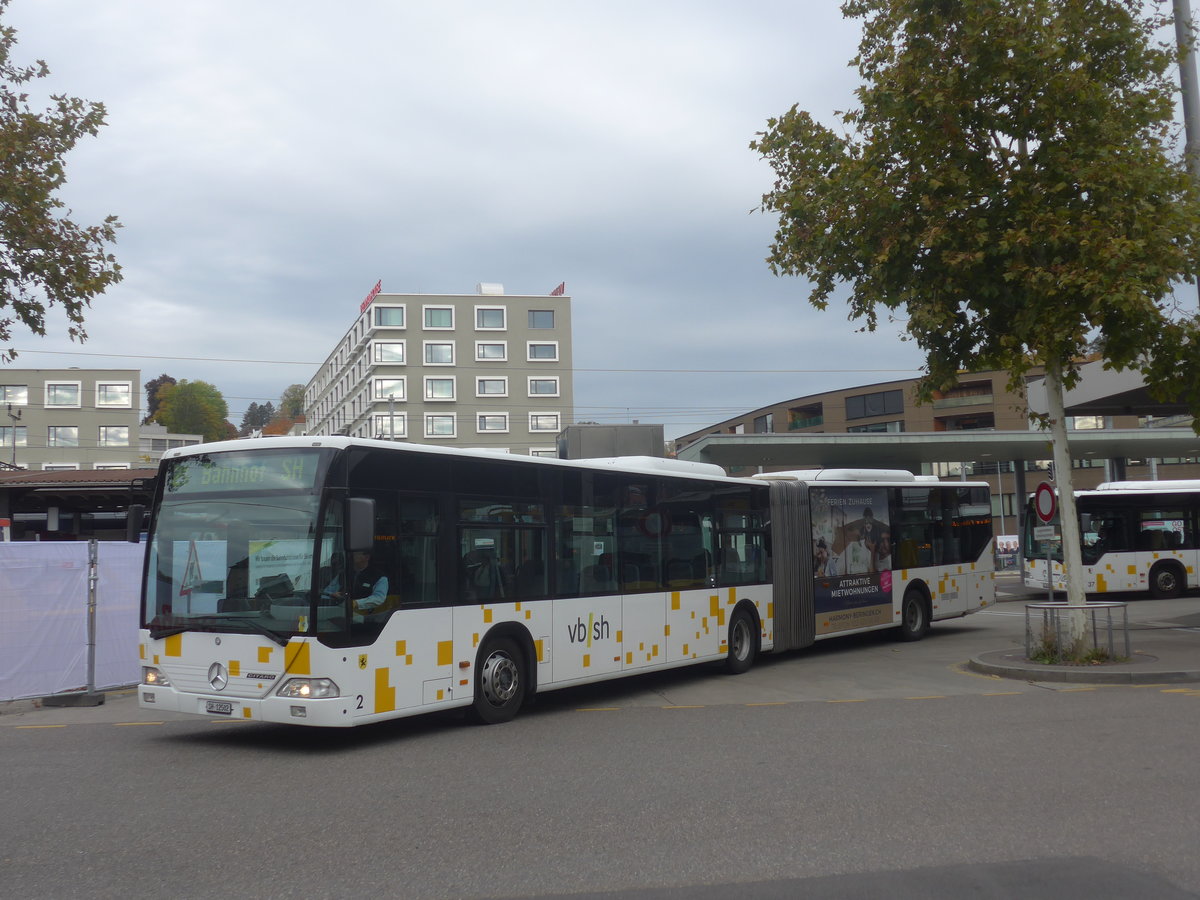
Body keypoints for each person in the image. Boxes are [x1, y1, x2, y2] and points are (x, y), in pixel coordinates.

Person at [321, 549, 388, 618]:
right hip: (342, 614)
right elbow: (327, 592)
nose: (352, 556)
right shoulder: (344, 574)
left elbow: (379, 598)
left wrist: (355, 603)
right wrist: (332, 595)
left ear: (367, 557)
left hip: (368, 617)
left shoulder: (379, 577)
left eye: (356, 553)